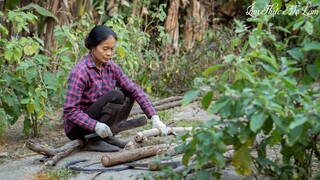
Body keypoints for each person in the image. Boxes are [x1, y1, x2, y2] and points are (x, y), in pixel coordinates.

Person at [62, 25, 168, 152]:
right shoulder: (80, 72)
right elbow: (71, 110)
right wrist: (95, 125)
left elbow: (134, 90)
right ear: (92, 46)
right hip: (77, 128)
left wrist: (154, 117)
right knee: (116, 95)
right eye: (105, 49)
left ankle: (106, 137)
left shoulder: (111, 67)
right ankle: (93, 141)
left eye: (112, 49)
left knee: (128, 95)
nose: (109, 53)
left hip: (100, 125)